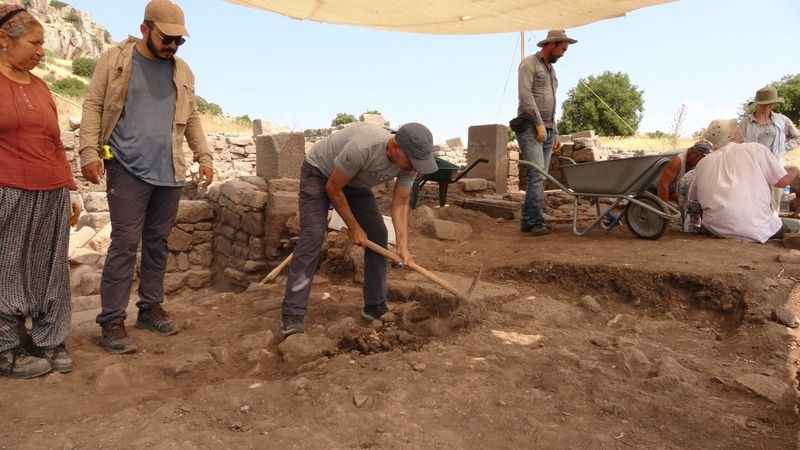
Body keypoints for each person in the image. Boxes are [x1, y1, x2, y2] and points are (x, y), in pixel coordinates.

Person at [79, 0, 213, 354]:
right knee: (124, 244)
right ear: (145, 29)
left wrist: (204, 156)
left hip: (169, 171)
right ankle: (111, 320)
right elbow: (93, 103)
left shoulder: (183, 71)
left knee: (158, 243)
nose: (173, 46)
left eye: (179, 41)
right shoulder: (116, 59)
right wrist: (88, 152)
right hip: (126, 167)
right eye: (167, 39)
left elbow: (193, 116)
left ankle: (150, 307)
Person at [281, 122, 437, 337]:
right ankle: (292, 314)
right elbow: (333, 188)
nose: (414, 167)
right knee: (313, 235)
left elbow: (401, 202)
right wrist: (353, 227)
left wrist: (403, 246)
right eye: (411, 162)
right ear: (395, 147)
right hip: (319, 173)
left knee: (379, 235)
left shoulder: (410, 163)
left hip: (354, 181)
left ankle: (374, 307)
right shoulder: (364, 147)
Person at [0, 5, 81, 378]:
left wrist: (70, 188)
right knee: (8, 270)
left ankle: (50, 338)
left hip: (50, 191)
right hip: (9, 192)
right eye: (34, 43)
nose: (41, 51)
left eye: (43, 43)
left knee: (50, 271)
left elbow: (55, 142)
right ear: (4, 41)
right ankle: (6, 348)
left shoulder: (42, 87)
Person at [514, 29, 576, 236]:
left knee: (541, 175)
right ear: (552, 44)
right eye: (563, 49)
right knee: (537, 174)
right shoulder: (528, 64)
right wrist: (539, 124)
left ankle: (530, 220)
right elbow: (525, 96)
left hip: (548, 128)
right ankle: (534, 221)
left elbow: (553, 102)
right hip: (530, 127)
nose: (564, 53)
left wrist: (554, 130)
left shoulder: (551, 70)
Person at [688, 141, 798, 243]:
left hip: (715, 229)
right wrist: (795, 170)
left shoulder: (703, 162)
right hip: (756, 230)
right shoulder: (756, 149)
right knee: (795, 226)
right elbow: (782, 182)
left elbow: (693, 198)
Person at [734, 86, 800, 210]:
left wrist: (783, 148)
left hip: (775, 166)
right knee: (752, 203)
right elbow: (736, 144)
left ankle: (774, 225)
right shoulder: (746, 122)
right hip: (751, 168)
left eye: (770, 104)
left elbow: (797, 137)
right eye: (763, 104)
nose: (767, 107)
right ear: (757, 104)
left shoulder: (782, 120)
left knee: (773, 204)